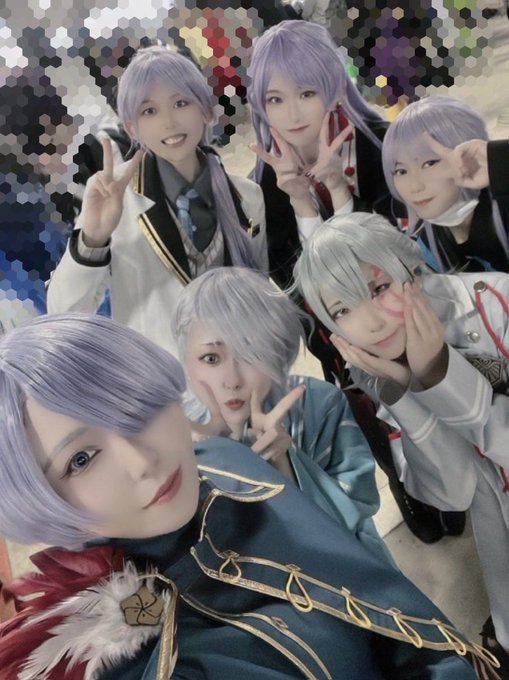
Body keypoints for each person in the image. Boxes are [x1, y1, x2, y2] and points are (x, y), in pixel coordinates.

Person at [0, 313, 495, 679]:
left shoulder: (220, 460)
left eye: (132, 405)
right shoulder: (130, 652)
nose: (142, 459)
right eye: (81, 460)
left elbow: (379, 599)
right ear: (34, 496)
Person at [246, 19, 447, 546]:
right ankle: (410, 491)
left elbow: (409, 249)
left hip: (412, 319)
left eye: (306, 93)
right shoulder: (264, 181)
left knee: (439, 404)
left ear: (334, 85)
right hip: (345, 349)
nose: (292, 115)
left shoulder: (384, 145)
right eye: (275, 100)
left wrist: (340, 192)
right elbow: (295, 289)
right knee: (378, 423)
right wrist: (298, 202)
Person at [294, 210, 509, 673]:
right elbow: (453, 493)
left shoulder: (497, 303)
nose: (369, 322)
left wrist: (439, 375)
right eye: (342, 311)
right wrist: (408, 392)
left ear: (410, 267)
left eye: (378, 289)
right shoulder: (378, 372)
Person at [46, 45, 268, 356]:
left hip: (239, 370)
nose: (169, 122)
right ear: (132, 127)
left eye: (180, 103)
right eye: (149, 111)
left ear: (206, 110)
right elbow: (64, 311)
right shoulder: (114, 197)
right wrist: (92, 239)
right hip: (158, 379)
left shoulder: (247, 197)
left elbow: (259, 299)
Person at [173, 266, 389, 561]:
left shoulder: (319, 403)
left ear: (277, 349)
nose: (232, 380)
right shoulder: (176, 435)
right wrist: (204, 461)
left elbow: (358, 506)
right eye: (211, 358)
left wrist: (285, 465)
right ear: (185, 361)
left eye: (250, 354)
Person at [382, 96, 509, 273]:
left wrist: (498, 159)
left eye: (429, 163)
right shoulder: (426, 247)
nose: (415, 186)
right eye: (401, 171)